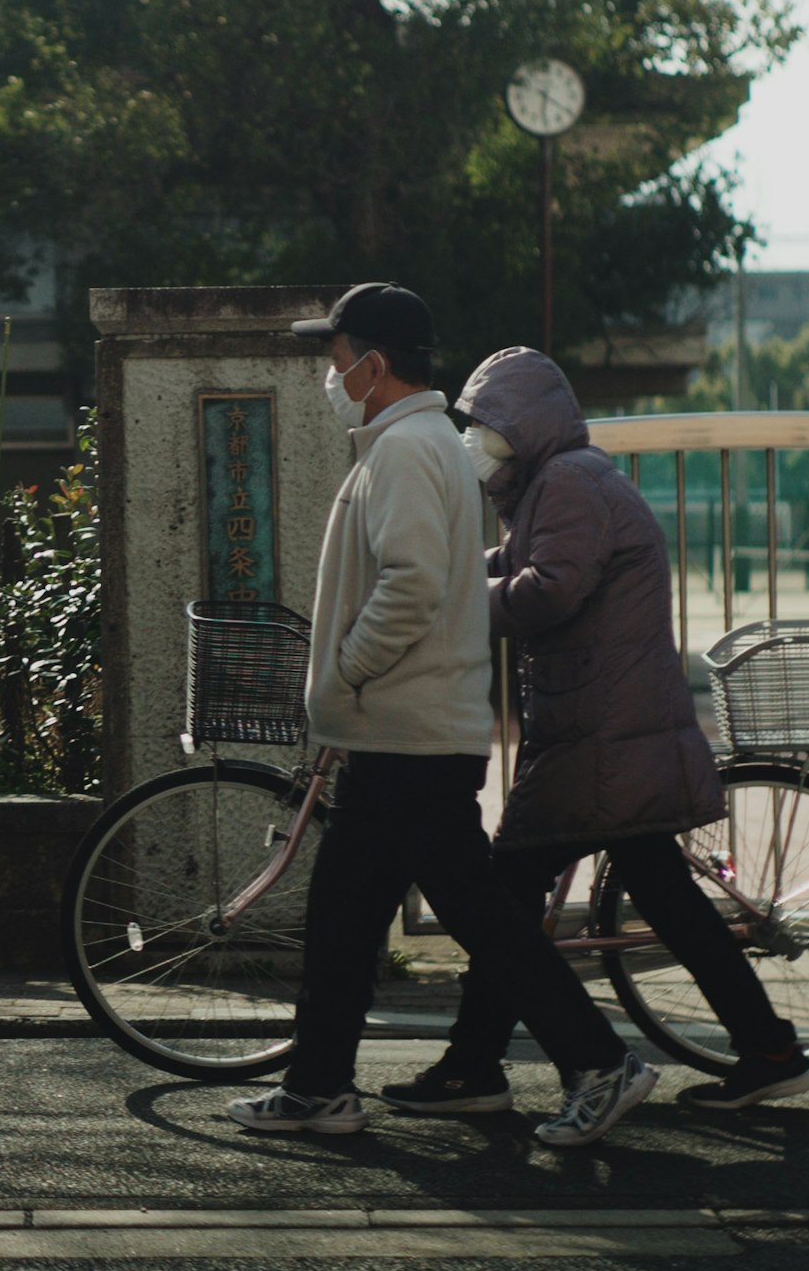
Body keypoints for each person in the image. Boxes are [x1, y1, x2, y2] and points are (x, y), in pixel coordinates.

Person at [226, 287, 660, 1149]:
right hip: (401, 734)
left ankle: (600, 1063)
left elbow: (413, 585)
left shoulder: (408, 451)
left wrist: (346, 673)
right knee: (349, 920)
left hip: (409, 735)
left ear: (373, 365)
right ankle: (318, 1087)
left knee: (476, 922)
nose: (329, 371)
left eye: (336, 354)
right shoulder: (414, 445)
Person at [399, 345, 809, 1113]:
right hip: (605, 728)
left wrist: (452, 602)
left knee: (509, 897)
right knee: (653, 901)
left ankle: (475, 1067)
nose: (470, 440)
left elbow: (549, 590)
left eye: (481, 425)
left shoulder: (566, 484)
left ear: (520, 427)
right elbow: (521, 563)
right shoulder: (554, 487)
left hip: (599, 735)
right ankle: (768, 1047)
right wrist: (455, 571)